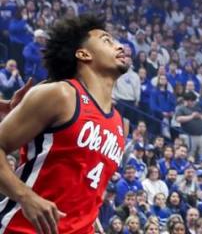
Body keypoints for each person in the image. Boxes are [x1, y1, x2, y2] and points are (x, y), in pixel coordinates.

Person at [0, 14, 129, 234]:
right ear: (83, 53)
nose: (119, 46)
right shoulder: (61, 95)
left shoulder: (119, 124)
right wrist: (25, 196)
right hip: (21, 229)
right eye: (106, 40)